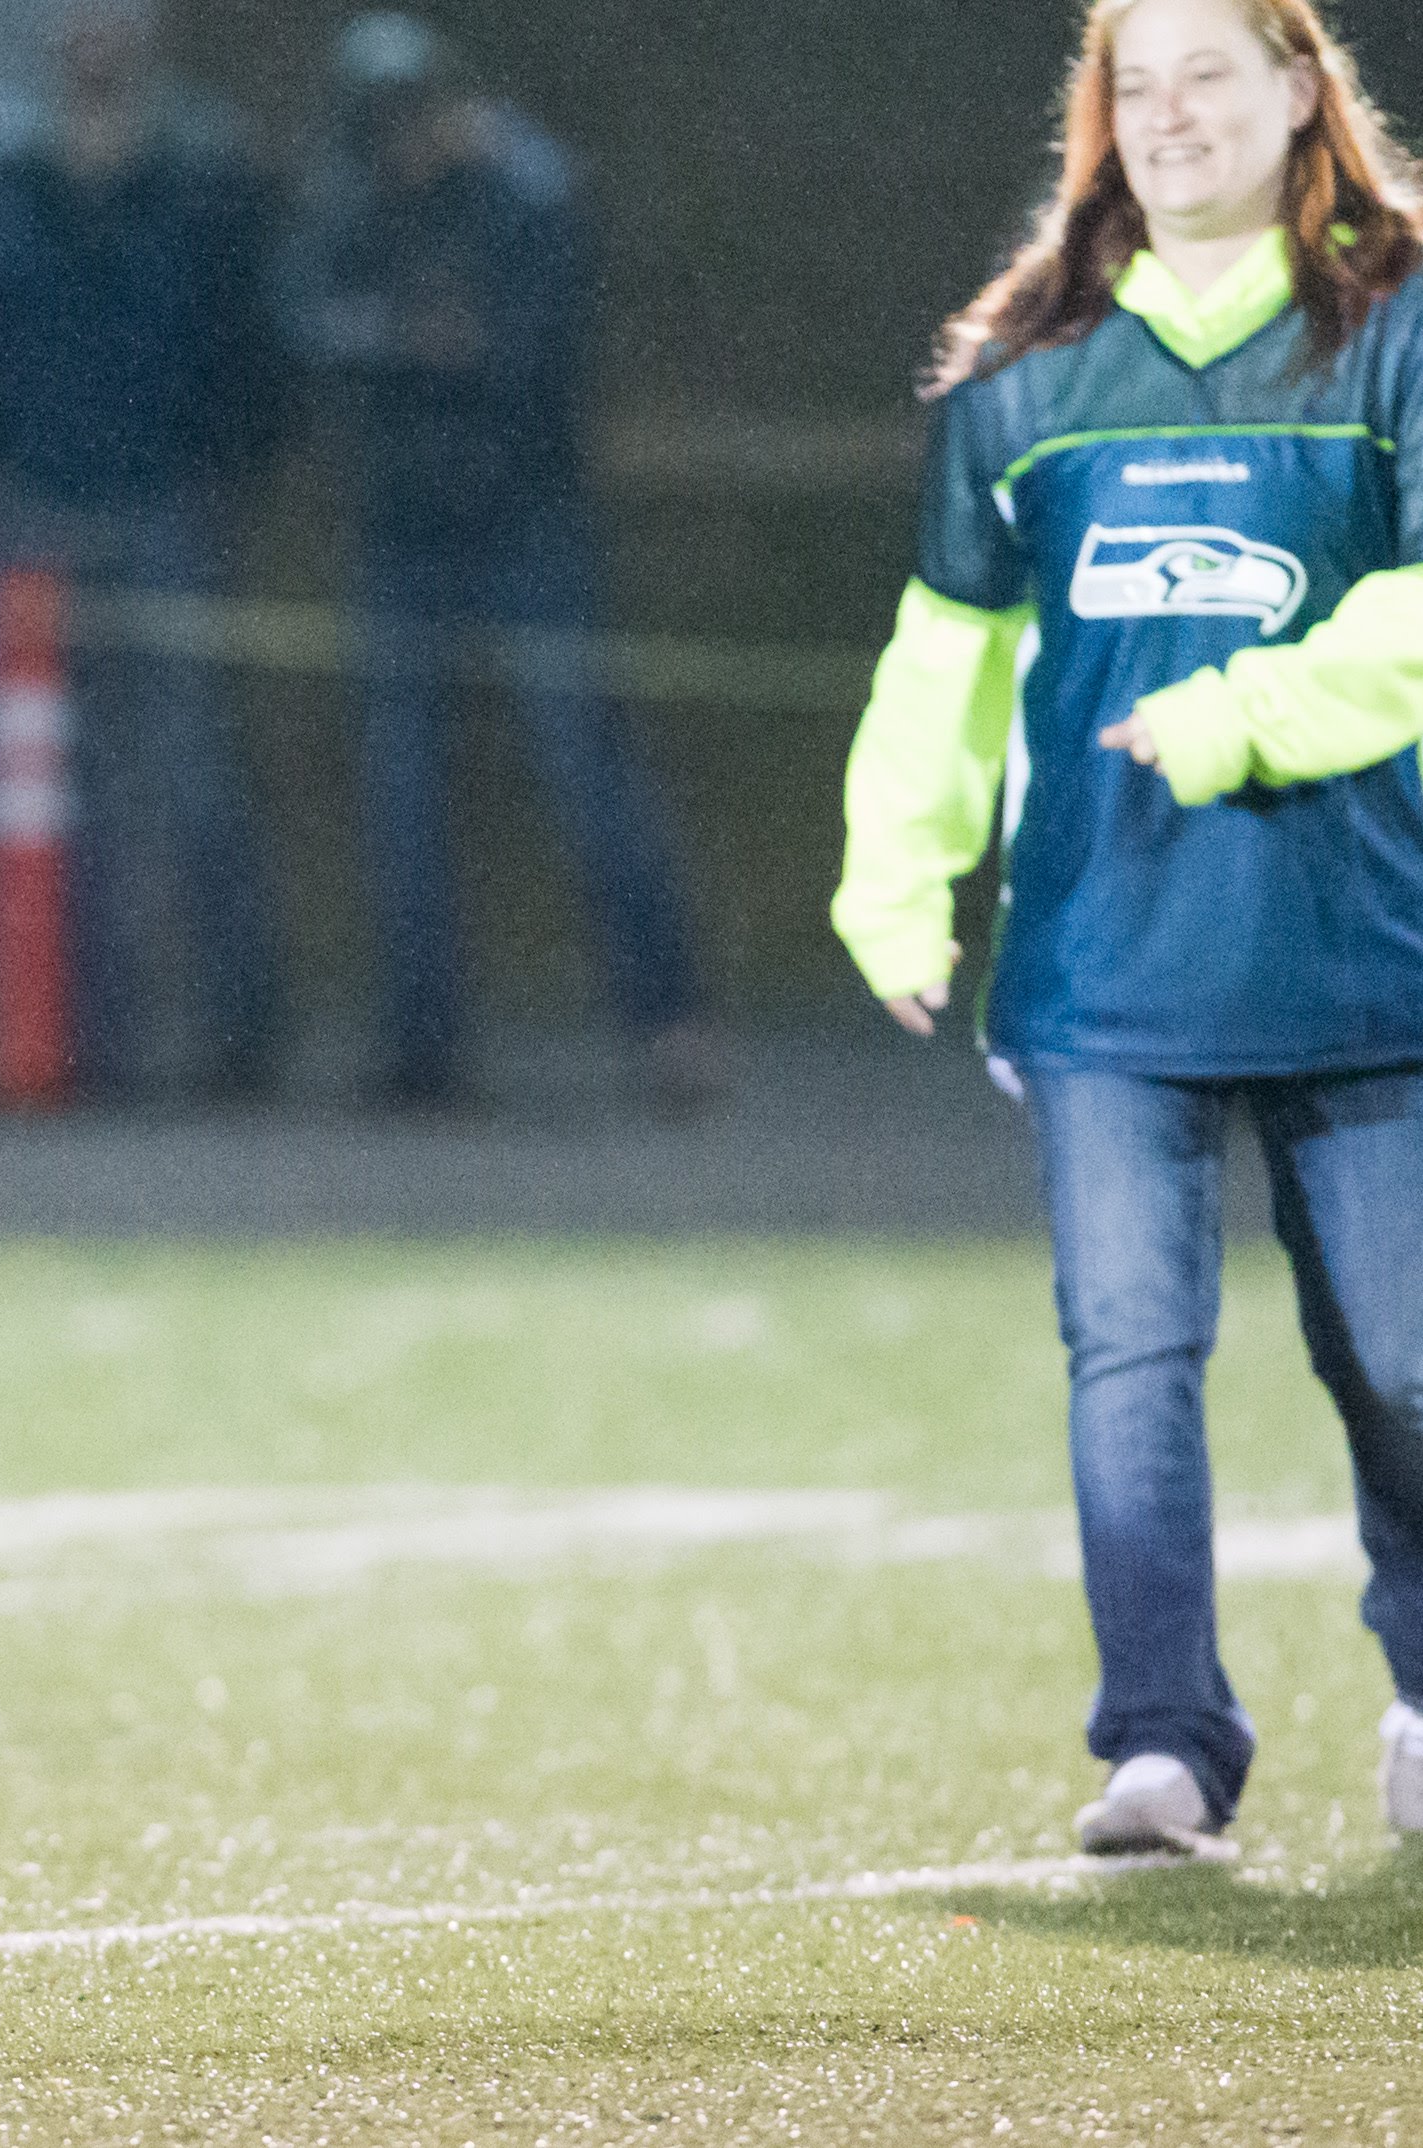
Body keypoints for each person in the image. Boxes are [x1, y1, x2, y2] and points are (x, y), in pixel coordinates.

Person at [833, 0, 1423, 1858]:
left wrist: (1242, 711)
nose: (1167, 117)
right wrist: (894, 875)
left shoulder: (1395, 328)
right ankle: (1162, 1743)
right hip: (1104, 960)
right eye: (1134, 86)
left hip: (1370, 947)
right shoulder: (1026, 365)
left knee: (1403, 1359)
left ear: (1299, 92)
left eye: (1207, 77)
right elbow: (946, 653)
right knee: (1130, 1358)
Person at [279, 14, 715, 1116]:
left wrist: (418, 347)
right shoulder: (353, 197)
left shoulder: (522, 189)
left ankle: (670, 1021)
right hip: (404, 526)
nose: (399, 144)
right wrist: (410, 340)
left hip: (523, 518)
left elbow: (522, 349)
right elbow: (308, 319)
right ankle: (423, 1044)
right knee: (402, 794)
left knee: (588, 774)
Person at [0, 0, 278, 1101]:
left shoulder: (205, 173)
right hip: (34, 520)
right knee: (55, 798)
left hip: (166, 514)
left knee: (195, 781)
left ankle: (242, 1035)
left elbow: (243, 344)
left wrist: (225, 475)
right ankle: (82, 1040)